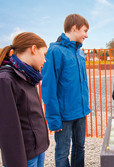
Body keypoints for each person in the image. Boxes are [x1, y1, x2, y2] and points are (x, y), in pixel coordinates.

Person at [41, 14, 91, 167]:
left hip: (81, 112)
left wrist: (85, 108)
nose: (86, 35)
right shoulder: (55, 51)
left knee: (80, 147)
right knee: (63, 152)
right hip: (64, 115)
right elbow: (48, 87)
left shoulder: (80, 52)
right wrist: (54, 118)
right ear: (74, 28)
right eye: (84, 30)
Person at [0, 32, 49, 167]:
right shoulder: (6, 79)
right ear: (33, 49)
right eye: (44, 55)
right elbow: (8, 129)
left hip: (37, 149)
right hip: (24, 155)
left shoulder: (28, 75)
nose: (45, 60)